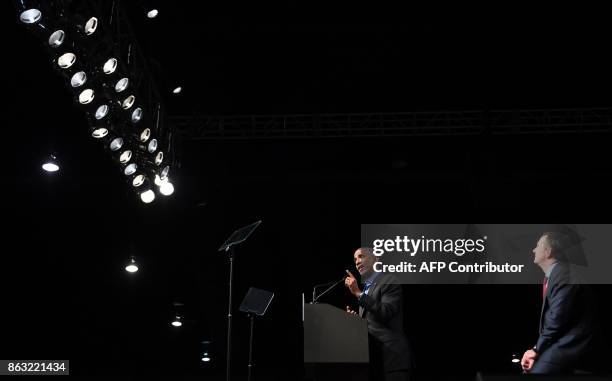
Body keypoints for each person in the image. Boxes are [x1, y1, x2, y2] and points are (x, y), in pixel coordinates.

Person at [521, 232, 598, 374]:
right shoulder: (557, 274)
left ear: (548, 251)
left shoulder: (563, 275)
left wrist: (536, 350)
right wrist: (536, 350)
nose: (533, 250)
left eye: (538, 246)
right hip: (561, 342)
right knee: (528, 370)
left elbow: (556, 320)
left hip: (574, 345)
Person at [344, 247, 413, 381]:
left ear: (376, 259)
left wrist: (358, 293)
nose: (357, 262)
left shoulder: (389, 280)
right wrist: (357, 321)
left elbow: (387, 312)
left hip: (393, 359)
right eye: (355, 259)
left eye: (362, 256)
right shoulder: (366, 289)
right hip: (373, 362)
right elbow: (372, 323)